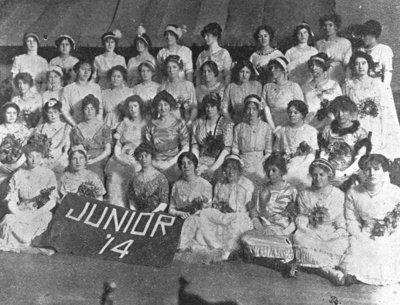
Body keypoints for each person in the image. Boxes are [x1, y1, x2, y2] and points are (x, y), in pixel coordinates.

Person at [340, 154, 400, 285]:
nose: (371, 173)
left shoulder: (395, 192)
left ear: (384, 170)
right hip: (364, 233)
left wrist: (391, 234)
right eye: (367, 169)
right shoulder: (353, 192)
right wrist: (361, 236)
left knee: (387, 250)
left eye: (376, 168)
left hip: (392, 234)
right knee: (359, 251)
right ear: (362, 171)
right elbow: (351, 220)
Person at [183, 155, 254, 261]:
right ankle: (205, 245)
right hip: (221, 215)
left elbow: (249, 206)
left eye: (234, 168)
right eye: (227, 168)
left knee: (238, 221)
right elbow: (215, 204)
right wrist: (220, 208)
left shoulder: (247, 185)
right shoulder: (220, 184)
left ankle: (227, 250)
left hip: (238, 216)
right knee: (204, 214)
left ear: (239, 170)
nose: (230, 172)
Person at [293, 159, 349, 285]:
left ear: (329, 175)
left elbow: (341, 223)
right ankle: (329, 271)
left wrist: (332, 235)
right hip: (311, 232)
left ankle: (322, 268)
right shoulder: (304, 194)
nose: (317, 178)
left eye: (321, 175)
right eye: (314, 175)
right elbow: (302, 218)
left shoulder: (338, 195)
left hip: (331, 232)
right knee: (299, 239)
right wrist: (308, 231)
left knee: (343, 243)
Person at [0, 135, 58, 255]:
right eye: (31, 156)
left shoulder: (48, 174)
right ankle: (26, 248)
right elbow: (12, 199)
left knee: (46, 218)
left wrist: (33, 215)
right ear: (25, 157)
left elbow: (51, 201)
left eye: (37, 156)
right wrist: (19, 214)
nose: (34, 160)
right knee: (8, 219)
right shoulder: (19, 174)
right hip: (21, 211)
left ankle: (26, 245)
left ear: (42, 157)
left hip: (40, 211)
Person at [241, 154, 297, 269]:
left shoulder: (291, 190)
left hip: (282, 230)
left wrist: (280, 232)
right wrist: (261, 228)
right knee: (245, 239)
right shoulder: (261, 189)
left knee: (286, 245)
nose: (270, 174)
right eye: (268, 170)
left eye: (273, 170)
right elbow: (254, 212)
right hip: (263, 227)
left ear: (282, 170)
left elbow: (295, 216)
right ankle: (276, 263)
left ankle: (270, 259)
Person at [343, 51, 400, 160]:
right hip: (357, 125)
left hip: (375, 125)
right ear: (353, 67)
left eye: (364, 63)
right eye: (357, 64)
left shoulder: (378, 84)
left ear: (369, 64)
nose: (360, 67)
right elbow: (346, 109)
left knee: (374, 155)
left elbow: (384, 110)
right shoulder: (348, 85)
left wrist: (384, 133)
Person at [105, 95, 147, 207]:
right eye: (130, 107)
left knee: (135, 174)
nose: (132, 109)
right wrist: (118, 157)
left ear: (140, 107)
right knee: (114, 176)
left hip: (140, 155)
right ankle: (117, 208)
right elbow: (118, 144)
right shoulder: (124, 122)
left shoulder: (146, 123)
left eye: (135, 106)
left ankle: (133, 209)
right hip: (123, 154)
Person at [319, 96, 369, 185]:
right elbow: (324, 154)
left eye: (344, 111)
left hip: (352, 172)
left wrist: (344, 173)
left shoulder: (359, 132)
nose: (340, 115)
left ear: (350, 111)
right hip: (331, 171)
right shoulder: (327, 130)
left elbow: (360, 158)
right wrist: (328, 170)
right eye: (337, 111)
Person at [168, 152, 213, 249]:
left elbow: (208, 209)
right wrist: (179, 213)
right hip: (179, 219)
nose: (186, 166)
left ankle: (182, 245)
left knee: (194, 220)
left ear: (195, 165)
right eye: (183, 163)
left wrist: (193, 215)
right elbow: (171, 209)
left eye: (189, 163)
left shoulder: (205, 185)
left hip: (198, 221)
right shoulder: (176, 185)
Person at [145, 90, 189, 182]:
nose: (163, 108)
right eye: (160, 105)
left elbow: (186, 147)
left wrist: (171, 162)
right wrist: (155, 163)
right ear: (156, 107)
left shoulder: (179, 123)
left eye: (165, 104)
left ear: (170, 106)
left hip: (174, 163)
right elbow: (147, 148)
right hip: (156, 163)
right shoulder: (150, 125)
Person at [274, 100, 318, 189]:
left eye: (295, 112)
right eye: (290, 112)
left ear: (302, 114)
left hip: (305, 165)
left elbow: (312, 154)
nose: (292, 115)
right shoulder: (282, 131)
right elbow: (277, 152)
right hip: (287, 164)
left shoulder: (311, 131)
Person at [232, 95, 273, 185]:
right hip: (243, 162)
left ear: (259, 110)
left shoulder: (266, 127)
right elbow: (235, 149)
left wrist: (262, 163)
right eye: (248, 109)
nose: (251, 112)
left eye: (254, 109)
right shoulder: (239, 127)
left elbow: (268, 151)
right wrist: (239, 161)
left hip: (261, 162)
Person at [192, 93, 233, 180]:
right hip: (200, 162)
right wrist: (195, 165)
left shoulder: (227, 124)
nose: (209, 109)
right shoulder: (198, 123)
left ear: (218, 107)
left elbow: (227, 149)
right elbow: (194, 146)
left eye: (212, 106)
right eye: (207, 106)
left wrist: (212, 168)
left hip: (219, 162)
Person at [70, 94, 112, 182]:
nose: (89, 111)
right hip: (80, 160)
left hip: (99, 160)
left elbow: (108, 151)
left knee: (94, 173)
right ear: (83, 111)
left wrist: (94, 160)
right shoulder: (76, 129)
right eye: (86, 109)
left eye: (92, 108)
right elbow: (72, 149)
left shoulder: (104, 127)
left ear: (96, 110)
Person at [222, 60, 272, 126]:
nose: (244, 75)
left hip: (256, 122)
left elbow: (263, 106)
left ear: (251, 73)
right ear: (237, 72)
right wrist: (231, 122)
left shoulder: (257, 85)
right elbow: (224, 109)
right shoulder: (231, 87)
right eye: (242, 72)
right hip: (237, 122)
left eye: (247, 72)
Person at [302, 53, 342, 130]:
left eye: (317, 65)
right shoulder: (304, 87)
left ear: (324, 67)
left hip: (330, 124)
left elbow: (340, 107)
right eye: (312, 65)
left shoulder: (334, 85)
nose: (314, 68)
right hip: (311, 125)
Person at [127, 142, 169, 212]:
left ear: (151, 156)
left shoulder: (161, 178)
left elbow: (164, 203)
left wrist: (151, 216)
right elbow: (131, 200)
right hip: (138, 215)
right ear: (137, 158)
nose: (144, 159)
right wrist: (135, 212)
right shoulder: (134, 178)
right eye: (141, 156)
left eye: (146, 155)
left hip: (156, 215)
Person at [262, 57, 304, 128]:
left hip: (289, 121)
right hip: (270, 121)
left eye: (276, 68)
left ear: (283, 70)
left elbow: (300, 108)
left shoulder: (293, 86)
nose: (272, 70)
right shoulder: (267, 87)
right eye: (271, 68)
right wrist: (272, 126)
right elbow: (264, 106)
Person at [35, 99, 71, 180]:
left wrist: (54, 165)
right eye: (50, 113)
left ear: (60, 112)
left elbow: (67, 150)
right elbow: (36, 148)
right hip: (42, 162)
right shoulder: (41, 127)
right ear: (46, 113)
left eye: (55, 112)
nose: (53, 115)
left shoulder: (66, 127)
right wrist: (41, 162)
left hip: (60, 163)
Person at [61, 59, 103, 126]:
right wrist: (74, 125)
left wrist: (96, 124)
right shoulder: (68, 89)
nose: (86, 72)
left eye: (89, 70)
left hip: (93, 125)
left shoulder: (95, 87)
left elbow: (100, 109)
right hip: (74, 124)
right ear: (77, 70)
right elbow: (64, 110)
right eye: (83, 69)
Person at [158, 55, 197, 125]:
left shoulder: (188, 85)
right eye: (168, 67)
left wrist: (189, 122)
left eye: (174, 67)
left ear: (180, 68)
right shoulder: (162, 87)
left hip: (186, 123)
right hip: (169, 125)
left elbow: (194, 108)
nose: (171, 70)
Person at [316, 14, 352, 85]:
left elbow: (347, 65)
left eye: (330, 25)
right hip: (323, 76)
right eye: (325, 25)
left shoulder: (344, 42)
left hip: (338, 74)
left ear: (336, 26)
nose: (327, 28)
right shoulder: (319, 44)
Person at [0, 103, 30, 189]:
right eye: (8, 113)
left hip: (20, 164)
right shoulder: (0, 129)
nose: (11, 116)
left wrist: (16, 165)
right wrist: (1, 166)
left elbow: (27, 149)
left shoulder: (23, 129)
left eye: (14, 113)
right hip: (2, 166)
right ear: (3, 114)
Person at [361, 20, 393, 88]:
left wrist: (384, 89)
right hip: (362, 87)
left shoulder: (383, 49)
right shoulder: (360, 50)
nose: (362, 38)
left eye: (365, 35)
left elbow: (387, 72)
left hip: (377, 87)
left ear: (373, 34)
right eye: (362, 35)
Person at [285, 22, 318, 86]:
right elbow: (285, 71)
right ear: (296, 35)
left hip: (309, 85)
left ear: (309, 34)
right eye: (299, 33)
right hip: (294, 84)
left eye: (305, 32)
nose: (302, 35)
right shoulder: (290, 52)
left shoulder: (314, 51)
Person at [101, 65, 132, 130]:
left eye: (118, 76)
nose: (115, 79)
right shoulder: (104, 93)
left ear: (123, 78)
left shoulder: (129, 92)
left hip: (124, 125)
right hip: (107, 125)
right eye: (113, 76)